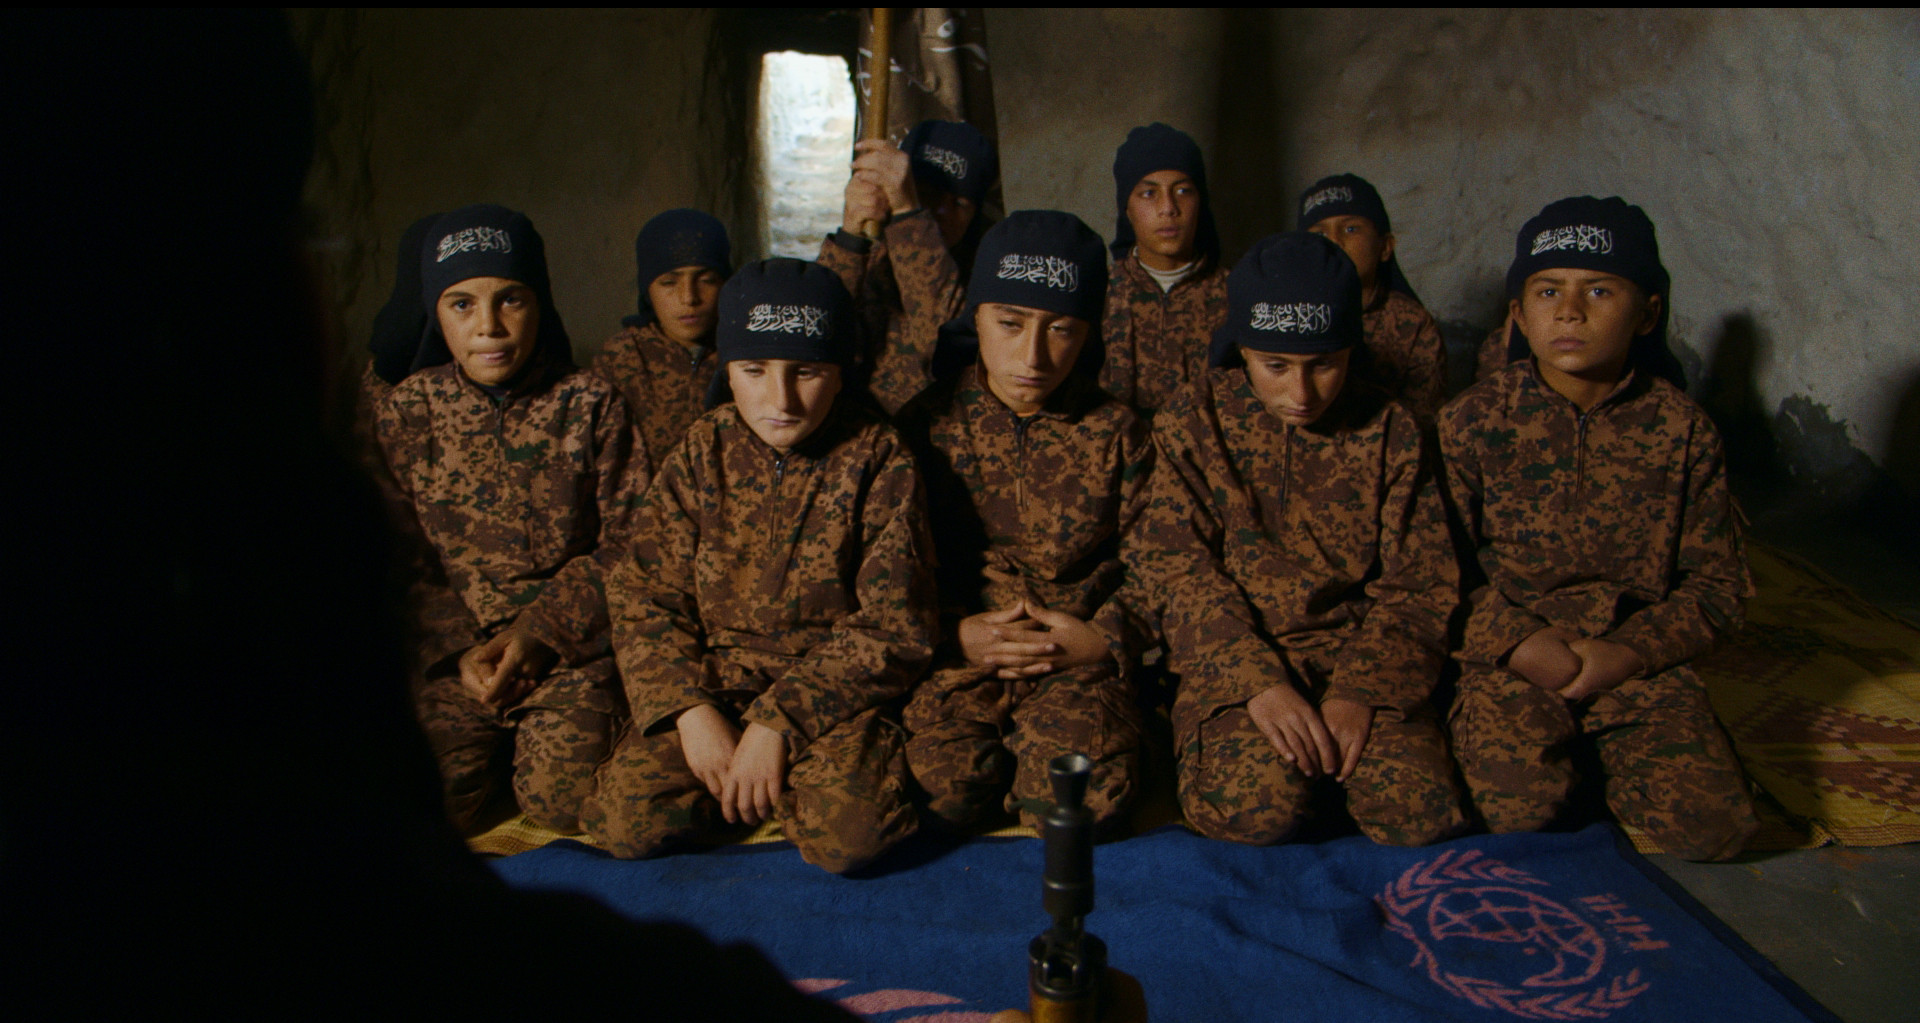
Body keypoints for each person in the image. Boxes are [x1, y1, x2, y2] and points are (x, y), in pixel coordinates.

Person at [581, 258, 938, 873]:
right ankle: (751, 787)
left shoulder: (879, 458)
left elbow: (895, 625)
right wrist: (689, 711)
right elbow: (644, 594)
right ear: (727, 370)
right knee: (625, 822)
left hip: (831, 692)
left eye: (807, 372)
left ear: (840, 371)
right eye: (754, 371)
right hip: (717, 681)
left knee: (853, 838)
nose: (781, 399)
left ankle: (779, 784)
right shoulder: (702, 451)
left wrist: (780, 721)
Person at [1439, 196, 1757, 861]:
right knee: (1518, 812)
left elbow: (1719, 587)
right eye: (1548, 291)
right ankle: (1558, 759)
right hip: (1514, 657)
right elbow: (1435, 573)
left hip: (1626, 655)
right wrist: (1515, 641)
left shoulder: (1683, 431)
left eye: (1600, 290)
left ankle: (1603, 753)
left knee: (1715, 828)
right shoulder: (1470, 422)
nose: (1570, 311)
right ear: (1519, 314)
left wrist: (1631, 652)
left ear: (1648, 313)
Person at [1132, 232, 1466, 847]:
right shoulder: (1194, 420)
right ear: (1242, 350)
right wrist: (1256, 682)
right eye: (1276, 366)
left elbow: (1421, 585)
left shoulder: (1391, 429)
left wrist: (1362, 691)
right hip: (1238, 656)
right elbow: (1177, 569)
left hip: (1358, 653)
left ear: (1352, 350)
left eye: (1325, 365)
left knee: (1417, 812)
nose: (1302, 394)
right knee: (1255, 809)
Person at [375, 203, 647, 833]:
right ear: (436, 312)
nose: (489, 327)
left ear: (540, 303)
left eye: (511, 300)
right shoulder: (409, 413)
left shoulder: (590, 404)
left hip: (564, 654)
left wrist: (542, 631)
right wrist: (458, 651)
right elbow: (396, 553)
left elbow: (633, 545)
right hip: (456, 663)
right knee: (425, 810)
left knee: (562, 802)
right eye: (462, 304)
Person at [896, 211, 1151, 834]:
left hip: (1077, 659)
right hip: (958, 655)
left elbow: (1168, 566)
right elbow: (885, 575)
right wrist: (952, 635)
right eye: (1009, 324)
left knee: (1077, 804)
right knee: (940, 798)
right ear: (976, 317)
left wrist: (1104, 638)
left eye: (1061, 329)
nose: (1033, 356)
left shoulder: (1121, 433)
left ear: (1088, 332)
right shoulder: (921, 428)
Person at [818, 119, 996, 413]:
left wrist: (908, 212)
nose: (941, 211)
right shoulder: (866, 254)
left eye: (959, 203)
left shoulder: (987, 274)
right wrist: (850, 236)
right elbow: (818, 332)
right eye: (927, 194)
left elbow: (942, 342)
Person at [1098, 122, 1230, 416]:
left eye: (1183, 191)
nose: (1168, 208)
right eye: (1149, 193)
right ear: (1127, 208)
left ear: (1200, 202)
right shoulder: (1098, 292)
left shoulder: (1235, 293)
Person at [1297, 173, 1448, 421]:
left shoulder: (1412, 325)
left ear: (1385, 247)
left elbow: (1423, 422)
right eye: (1320, 234)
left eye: (1351, 229)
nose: (1334, 242)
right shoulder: (1287, 315)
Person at [592, 208, 732, 465]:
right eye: (669, 282)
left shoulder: (744, 355)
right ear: (647, 291)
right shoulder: (621, 359)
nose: (689, 298)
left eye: (707, 280)